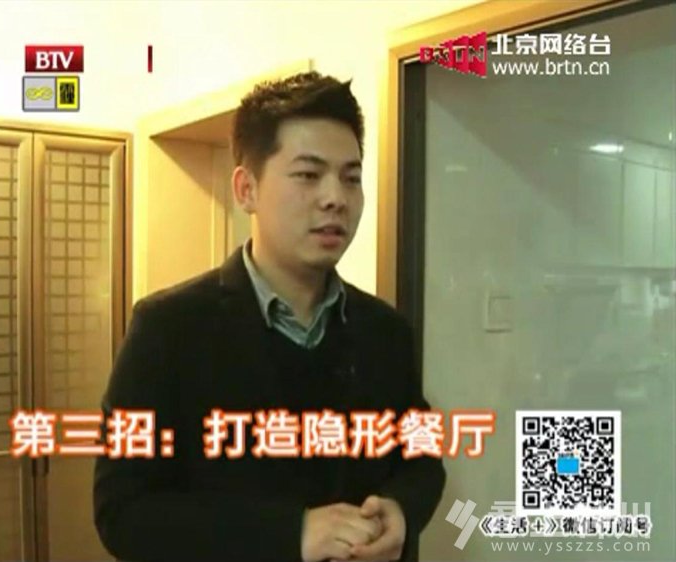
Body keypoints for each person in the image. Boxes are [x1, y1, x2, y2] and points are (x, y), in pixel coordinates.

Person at [93, 71, 446, 562]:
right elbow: (124, 512)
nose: (336, 197)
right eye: (308, 174)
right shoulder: (168, 328)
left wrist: (401, 510)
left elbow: (421, 458)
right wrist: (290, 533)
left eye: (351, 177)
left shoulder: (386, 331)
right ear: (247, 189)